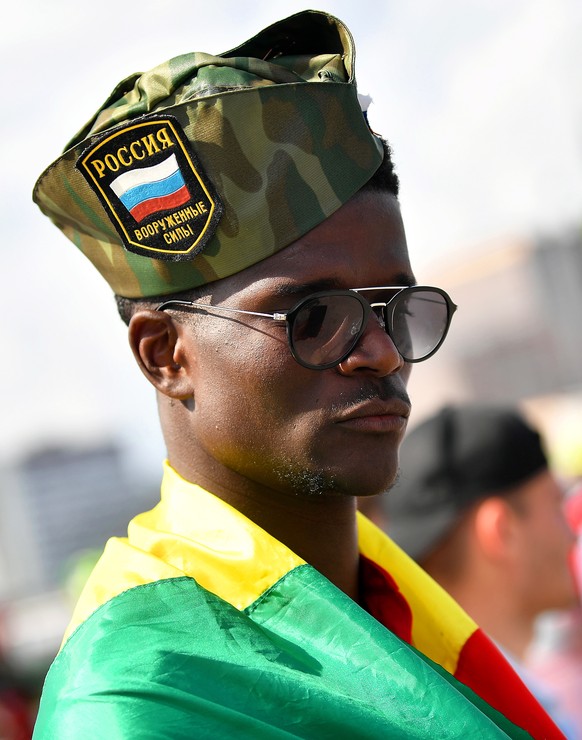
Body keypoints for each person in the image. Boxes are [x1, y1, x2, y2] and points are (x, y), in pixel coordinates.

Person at [31, 10, 563, 738]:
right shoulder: (140, 695)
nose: (382, 352)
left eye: (394, 306)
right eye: (313, 315)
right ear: (166, 356)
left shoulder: (385, 602)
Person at [385, 403, 579, 736]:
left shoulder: (425, 704)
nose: (572, 533)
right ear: (502, 531)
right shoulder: (489, 720)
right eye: (556, 504)